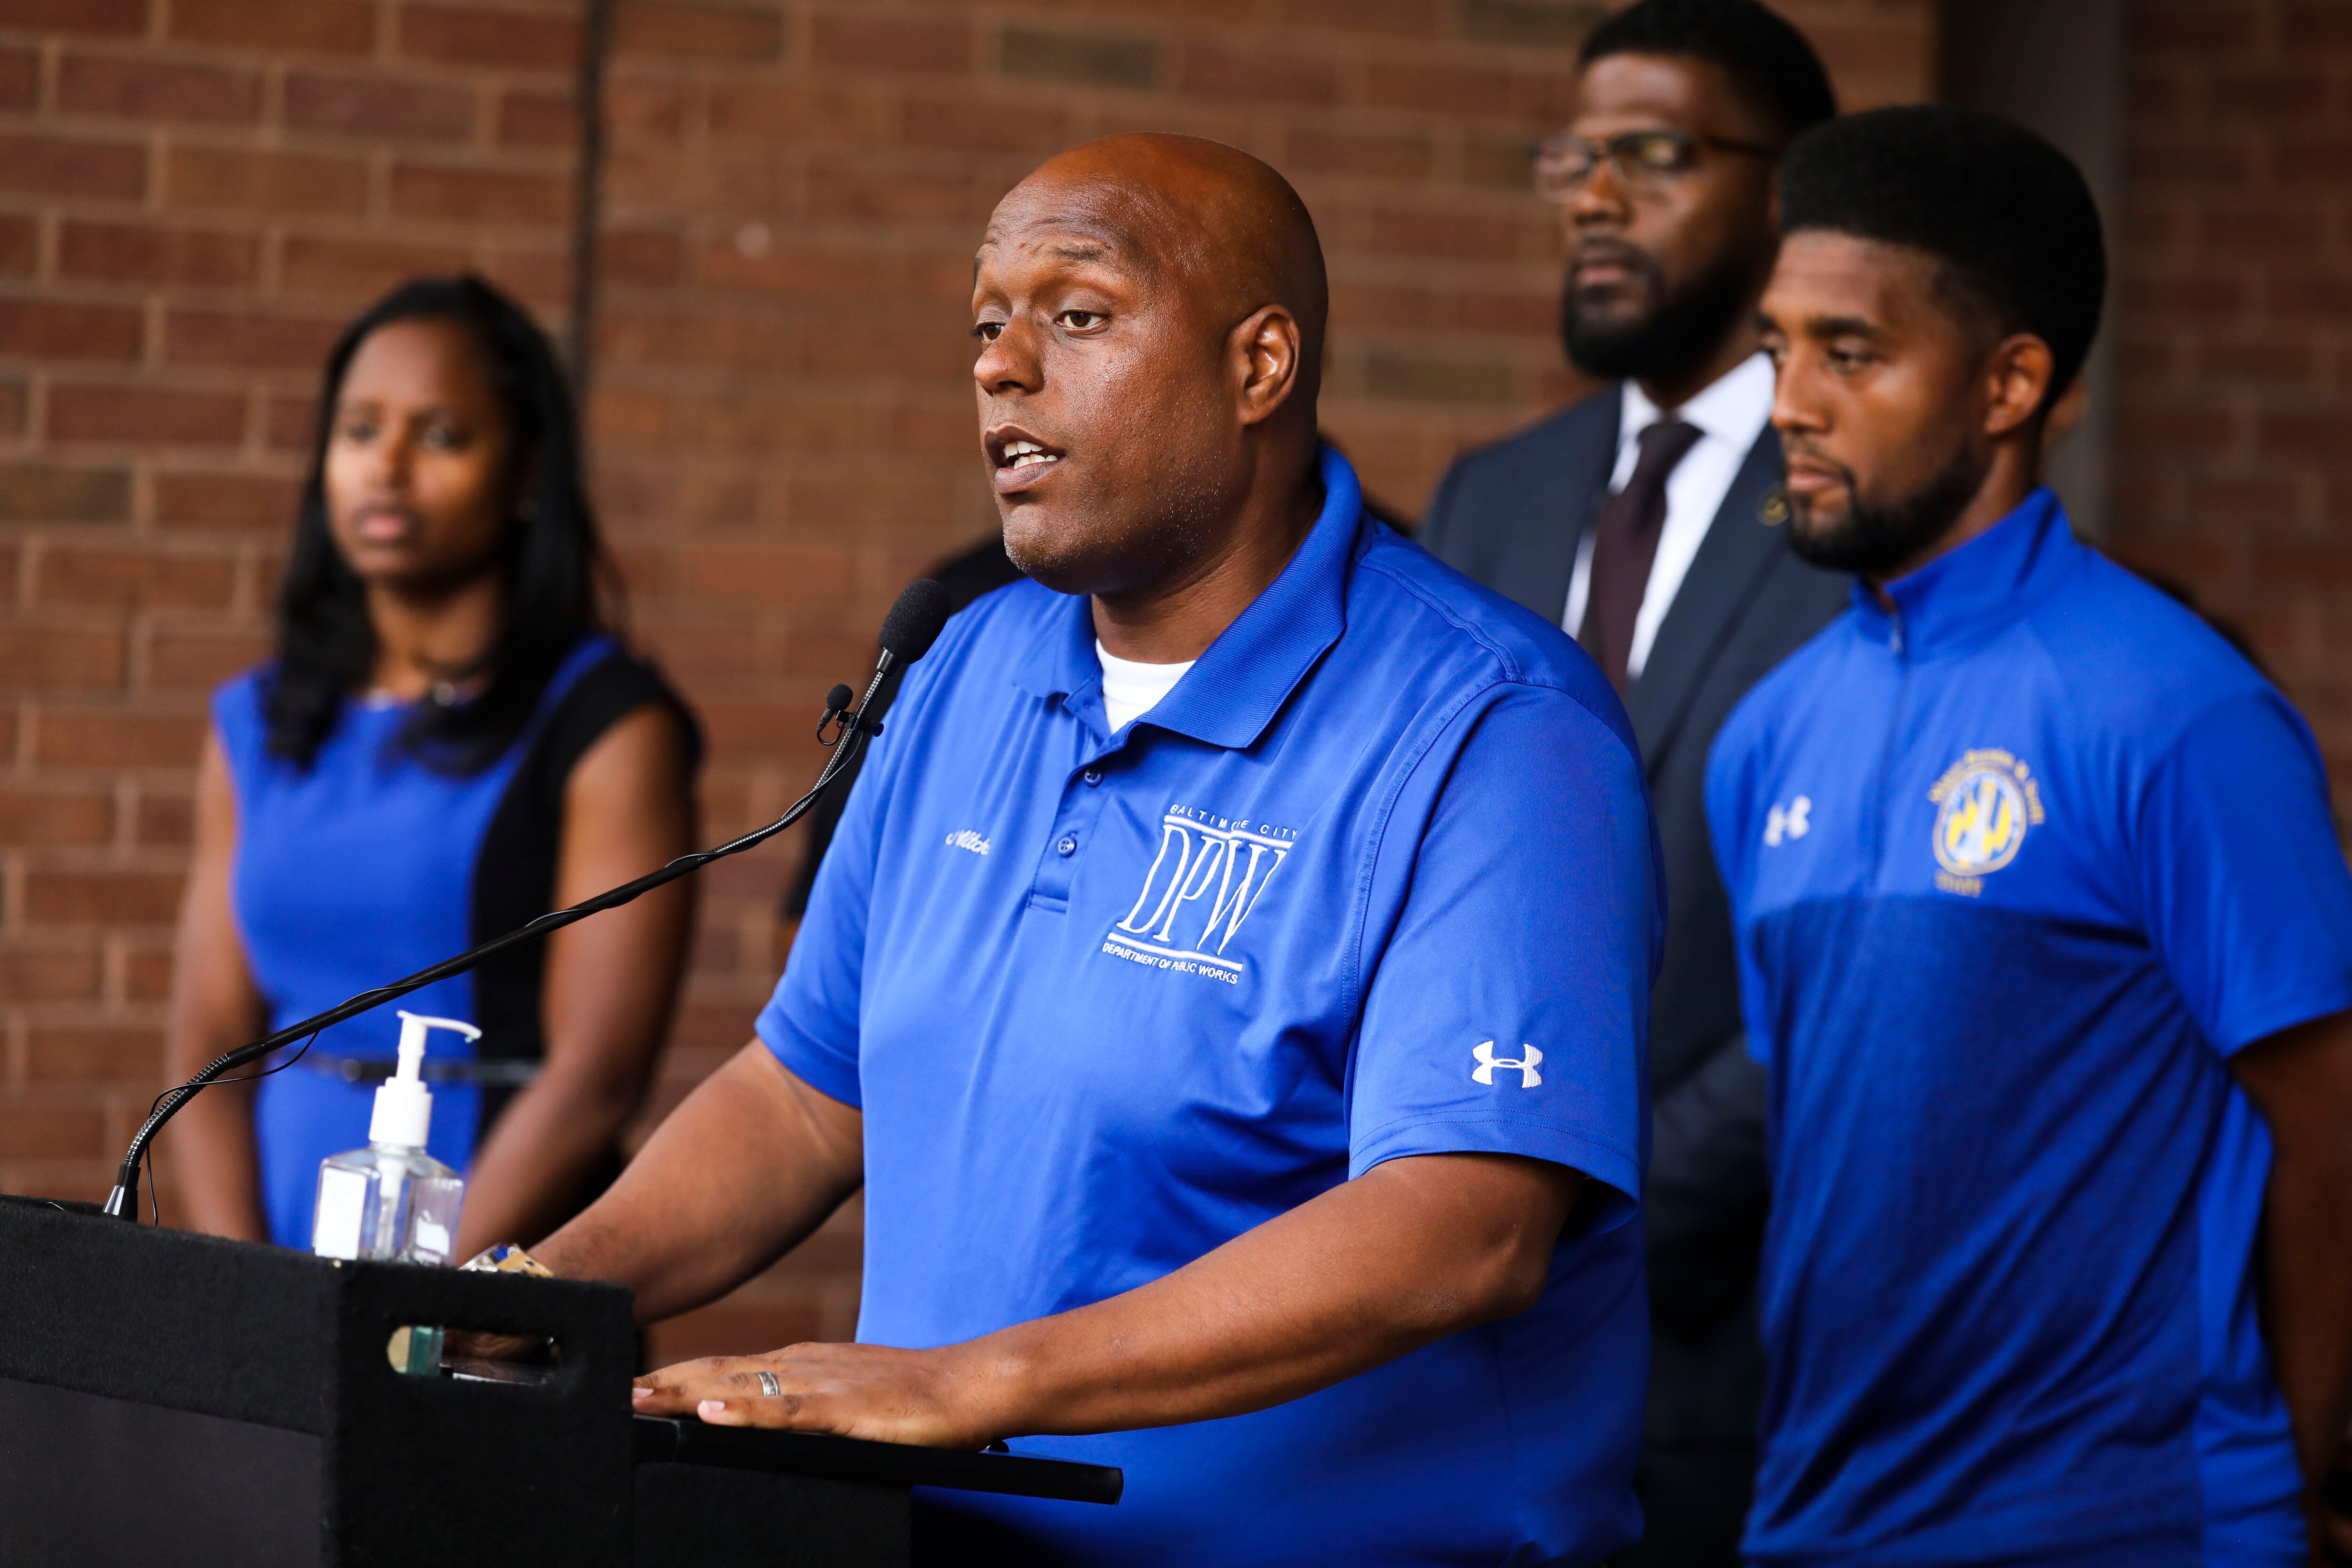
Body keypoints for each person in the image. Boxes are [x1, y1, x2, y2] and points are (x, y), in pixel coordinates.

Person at [516, 135, 1661, 1565]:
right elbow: (811, 1097)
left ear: (1261, 367)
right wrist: (545, 1287)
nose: (1002, 365)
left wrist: (968, 1382)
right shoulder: (961, 666)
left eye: (1078, 314)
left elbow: (1465, 1224)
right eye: (987, 320)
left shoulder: (1496, 731)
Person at [1709, 106, 2352, 1565]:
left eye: (1850, 352)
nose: (1790, 401)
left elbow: (2329, 1123)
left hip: (2130, 1526)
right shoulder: (1770, 731)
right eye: (1776, 347)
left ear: (2010, 383)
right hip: (1814, 1523)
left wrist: (2306, 1481)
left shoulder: (2178, 709)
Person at [1418, 3, 1846, 1558]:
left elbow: (1851, 966)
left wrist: (1578, 1200)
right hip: (1448, 1363)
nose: (1595, 196)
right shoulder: (1493, 496)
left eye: (1654, 156)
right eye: (1577, 158)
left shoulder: (1863, 513)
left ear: (1793, 186)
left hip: (1739, 1363)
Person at [165, 276, 701, 1260]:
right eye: (360, 431)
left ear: (524, 471)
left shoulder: (605, 725)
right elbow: (205, 1052)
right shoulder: (256, 719)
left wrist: (417, 1297)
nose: (389, 468)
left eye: (442, 436)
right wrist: (244, 1298)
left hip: (491, 1265)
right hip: (268, 1238)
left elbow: (595, 1079)